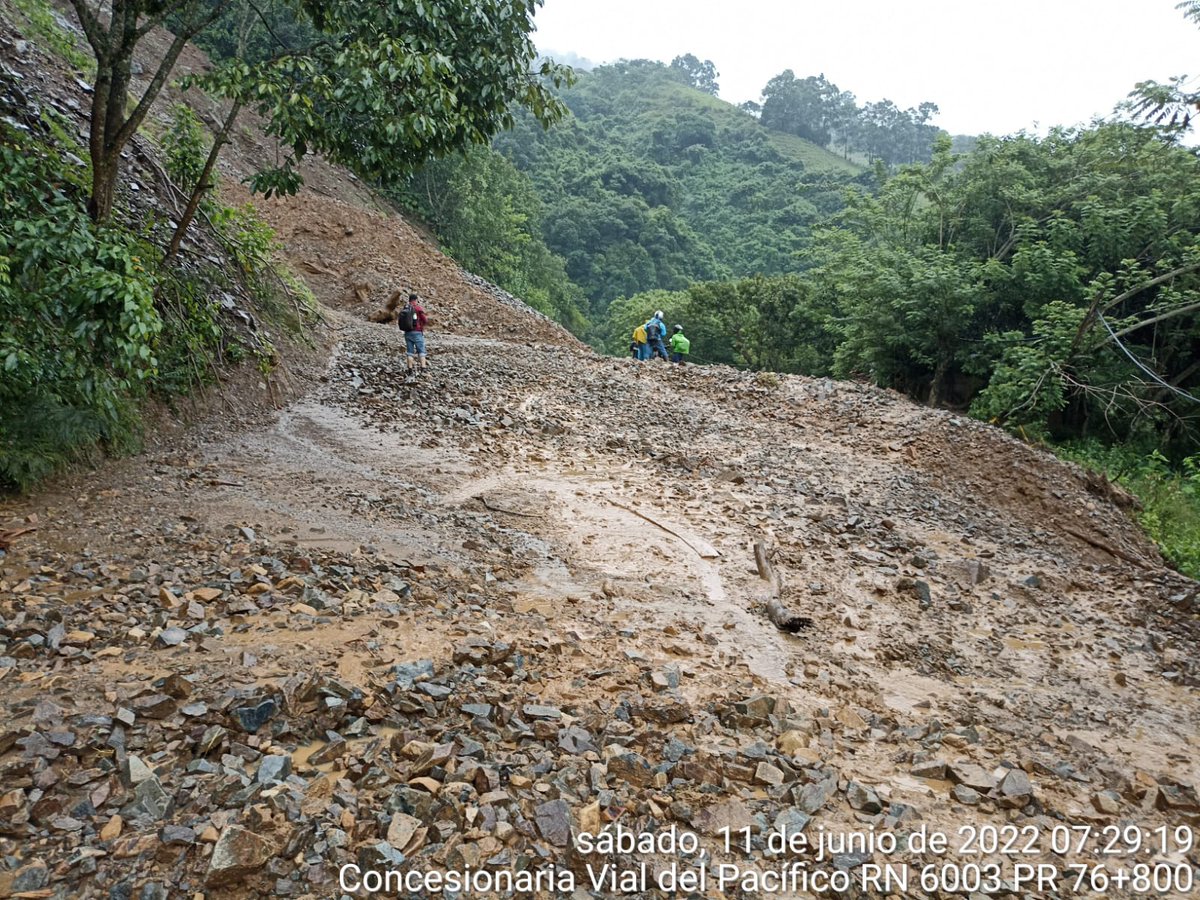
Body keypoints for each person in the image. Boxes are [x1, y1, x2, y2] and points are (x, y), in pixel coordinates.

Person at [398, 292, 428, 376]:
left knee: (410, 352)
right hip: (417, 332)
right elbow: (425, 320)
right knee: (421, 351)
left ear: (409, 300)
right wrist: (421, 325)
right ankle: (423, 369)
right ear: (416, 300)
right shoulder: (418, 308)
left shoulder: (406, 308)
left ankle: (410, 370)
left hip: (407, 333)